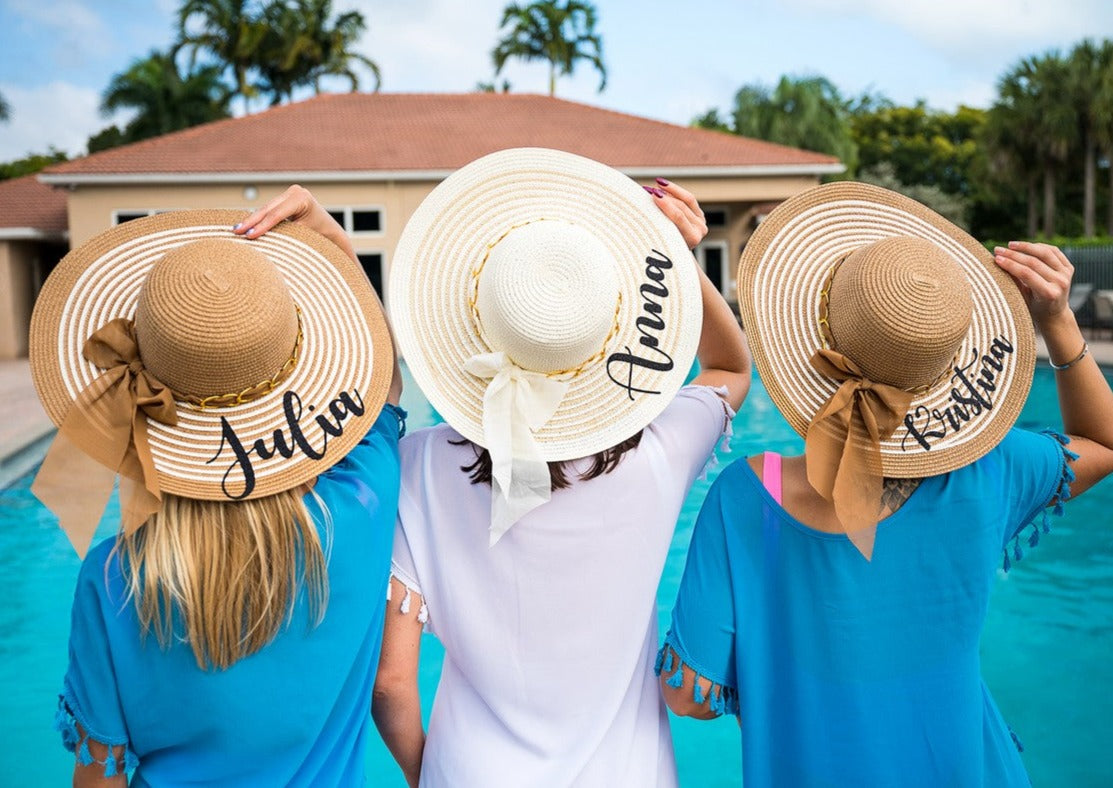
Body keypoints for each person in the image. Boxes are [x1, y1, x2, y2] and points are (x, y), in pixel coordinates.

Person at [657, 181, 1113, 786]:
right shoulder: (993, 468)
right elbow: (1103, 443)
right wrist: (1057, 323)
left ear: (815, 341)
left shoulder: (749, 496)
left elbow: (688, 696)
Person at [370, 147, 752, 787]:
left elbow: (391, 684)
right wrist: (676, 262)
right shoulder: (663, 453)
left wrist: (426, 774)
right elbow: (731, 367)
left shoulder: (417, 466)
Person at [31, 196, 404, 786]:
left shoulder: (113, 581)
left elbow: (97, 777)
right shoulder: (364, 503)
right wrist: (337, 242)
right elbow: (383, 389)